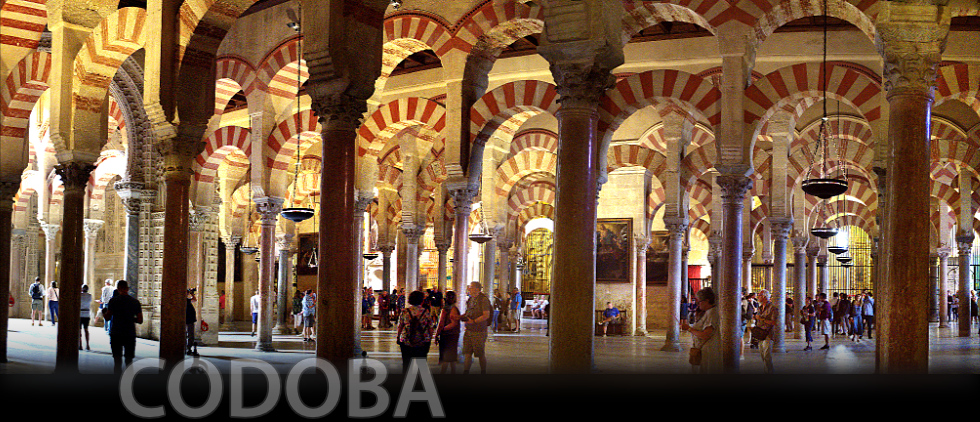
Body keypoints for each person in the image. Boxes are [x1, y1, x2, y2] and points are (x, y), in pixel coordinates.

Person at [102, 280, 143, 374]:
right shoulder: (135, 302)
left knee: (117, 361)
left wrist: (104, 312)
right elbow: (140, 320)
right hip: (129, 333)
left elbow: (107, 318)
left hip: (116, 333)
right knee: (129, 362)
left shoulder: (113, 301)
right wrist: (130, 318)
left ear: (118, 289)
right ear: (128, 289)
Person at [681, 287, 720, 374]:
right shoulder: (708, 312)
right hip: (705, 350)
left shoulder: (712, 313)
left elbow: (705, 335)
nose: (698, 304)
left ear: (707, 300)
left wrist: (689, 328)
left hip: (709, 350)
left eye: (699, 302)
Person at [396, 290, 435, 372]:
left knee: (407, 363)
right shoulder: (425, 312)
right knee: (421, 363)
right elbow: (430, 327)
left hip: (407, 340)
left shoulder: (405, 311)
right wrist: (430, 338)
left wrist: (398, 337)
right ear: (421, 300)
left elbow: (400, 326)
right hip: (422, 340)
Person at [461, 282, 493, 374]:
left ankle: (483, 371)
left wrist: (474, 321)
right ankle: (466, 372)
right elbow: (468, 312)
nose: (469, 289)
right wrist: (460, 317)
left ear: (477, 289)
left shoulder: (483, 300)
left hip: (479, 330)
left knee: (480, 353)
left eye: (470, 287)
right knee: (467, 353)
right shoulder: (471, 299)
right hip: (469, 330)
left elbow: (486, 315)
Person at [435, 290, 461, 374]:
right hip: (454, 334)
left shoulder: (445, 309)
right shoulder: (455, 308)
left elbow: (441, 323)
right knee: (452, 355)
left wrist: (437, 333)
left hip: (447, 335)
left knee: (445, 356)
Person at [754, 289, 777, 373]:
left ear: (764, 296)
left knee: (767, 356)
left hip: (768, 333)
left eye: (759, 295)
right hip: (760, 333)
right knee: (763, 355)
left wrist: (761, 319)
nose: (758, 297)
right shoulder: (760, 307)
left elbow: (774, 322)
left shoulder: (772, 308)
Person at [79, 284, 92, 351]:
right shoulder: (89, 296)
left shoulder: (80, 296)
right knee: (86, 329)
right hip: (87, 314)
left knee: (79, 330)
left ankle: (80, 345)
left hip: (80, 314)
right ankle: (87, 345)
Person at [186, 289, 198, 355]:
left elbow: (194, 300)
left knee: (190, 335)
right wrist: (191, 294)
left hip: (190, 319)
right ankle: (187, 348)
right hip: (187, 320)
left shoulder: (187, 300)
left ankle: (188, 348)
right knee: (189, 335)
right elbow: (194, 299)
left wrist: (191, 293)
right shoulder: (185, 300)